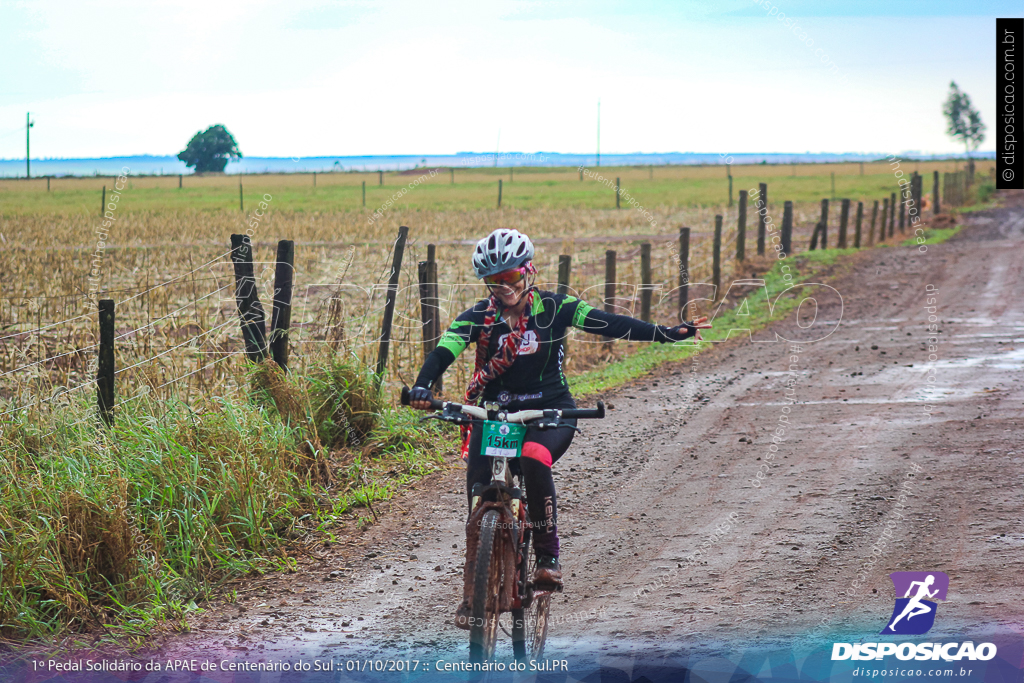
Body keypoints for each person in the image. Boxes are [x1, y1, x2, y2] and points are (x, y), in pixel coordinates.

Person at [408, 228, 711, 628]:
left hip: (550, 411)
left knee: (534, 457)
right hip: (496, 413)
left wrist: (667, 334)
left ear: (528, 272)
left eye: (512, 277)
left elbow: (608, 323)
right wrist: (422, 386)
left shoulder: (555, 308)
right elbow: (444, 351)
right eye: (495, 282)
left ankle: (548, 558)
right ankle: (473, 594)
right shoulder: (478, 319)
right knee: (477, 498)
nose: (505, 288)